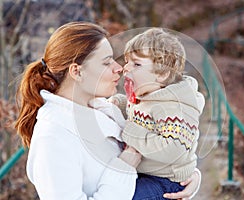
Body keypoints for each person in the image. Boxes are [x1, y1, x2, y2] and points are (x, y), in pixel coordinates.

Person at [14, 21, 200, 200]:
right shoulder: (53, 137)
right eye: (106, 62)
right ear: (77, 72)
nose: (119, 68)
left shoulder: (105, 109)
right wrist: (124, 168)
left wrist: (188, 175)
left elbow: (163, 145)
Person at [99, 28, 205, 199]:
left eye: (137, 64)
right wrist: (120, 103)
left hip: (165, 181)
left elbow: (172, 149)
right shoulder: (148, 95)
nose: (126, 68)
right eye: (127, 62)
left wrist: (130, 130)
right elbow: (145, 113)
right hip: (145, 172)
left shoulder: (175, 109)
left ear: (162, 74)